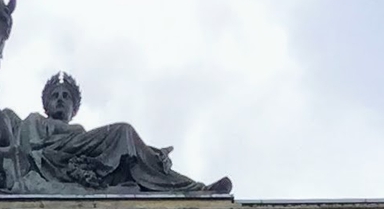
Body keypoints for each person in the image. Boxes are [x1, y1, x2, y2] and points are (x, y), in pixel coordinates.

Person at [12, 73, 231, 196]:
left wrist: (151, 153)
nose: (60, 99)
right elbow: (29, 150)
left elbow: (103, 151)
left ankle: (195, 190)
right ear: (46, 105)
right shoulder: (35, 120)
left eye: (66, 96)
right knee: (123, 132)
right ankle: (194, 190)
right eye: (55, 96)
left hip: (84, 158)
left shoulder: (80, 133)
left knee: (131, 151)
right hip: (54, 160)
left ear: (74, 108)